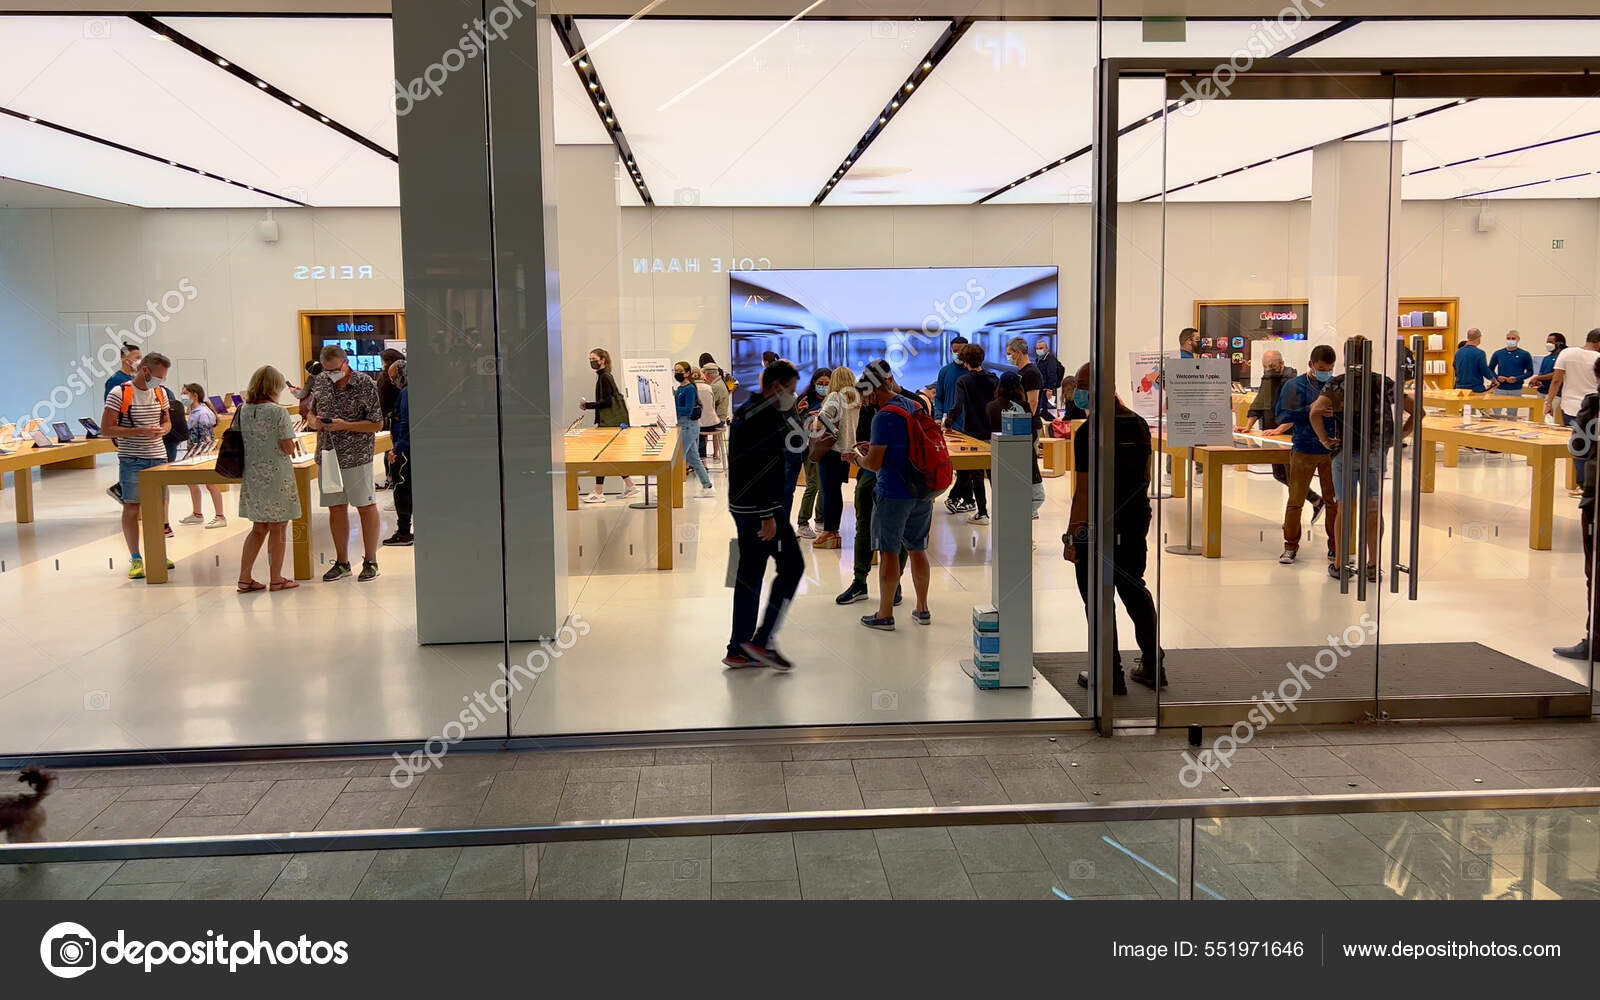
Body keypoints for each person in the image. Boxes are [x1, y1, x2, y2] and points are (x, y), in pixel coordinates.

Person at [1067, 362, 1161, 693]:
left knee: (1097, 598)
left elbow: (1084, 489)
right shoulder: (1137, 425)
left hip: (1099, 524)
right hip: (1135, 519)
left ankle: (1110, 673)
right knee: (1134, 588)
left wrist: (1073, 534)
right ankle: (1152, 665)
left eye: (1080, 383)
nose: (1075, 390)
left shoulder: (1087, 432)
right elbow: (1144, 476)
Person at [1309, 335, 1414, 582]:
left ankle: (1340, 563)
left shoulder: (1337, 384)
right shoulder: (1383, 383)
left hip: (1344, 452)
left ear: (1346, 357)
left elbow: (1314, 412)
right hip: (1375, 453)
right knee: (1373, 508)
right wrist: (1398, 435)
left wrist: (1325, 439)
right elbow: (1417, 410)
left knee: (1344, 508)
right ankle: (1372, 564)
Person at [724, 360, 803, 671]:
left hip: (741, 506)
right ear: (777, 386)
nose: (793, 396)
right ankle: (761, 640)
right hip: (762, 510)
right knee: (793, 566)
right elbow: (765, 469)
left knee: (750, 573)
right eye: (792, 390)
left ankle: (739, 647)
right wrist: (769, 515)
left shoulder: (748, 407)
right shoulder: (766, 417)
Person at [855, 360, 934, 630]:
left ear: (870, 391)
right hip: (922, 489)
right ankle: (922, 608)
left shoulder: (883, 416)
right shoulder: (914, 406)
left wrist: (857, 457)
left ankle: (884, 613)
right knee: (918, 549)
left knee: (889, 551)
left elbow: (874, 464)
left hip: (893, 491)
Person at [836, 369, 916, 607]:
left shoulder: (910, 404)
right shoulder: (877, 406)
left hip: (895, 478)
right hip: (873, 476)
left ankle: (895, 585)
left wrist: (861, 457)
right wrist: (867, 447)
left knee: (897, 534)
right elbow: (865, 437)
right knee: (865, 527)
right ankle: (860, 581)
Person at [307, 344, 385, 582]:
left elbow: (377, 424)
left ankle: (370, 560)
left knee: (365, 505)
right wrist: (314, 422)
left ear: (345, 362)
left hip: (356, 455)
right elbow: (310, 413)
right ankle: (342, 562)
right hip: (327, 454)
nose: (331, 374)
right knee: (336, 507)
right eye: (327, 370)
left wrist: (346, 424)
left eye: (335, 369)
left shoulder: (363, 384)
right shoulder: (320, 382)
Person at [101, 352, 174, 580]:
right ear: (145, 371)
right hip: (132, 458)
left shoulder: (160, 393)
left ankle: (158, 553)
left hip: (158, 457)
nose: (161, 381)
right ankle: (135, 557)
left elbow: (167, 421)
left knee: (159, 506)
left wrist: (164, 429)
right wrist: (139, 431)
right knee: (132, 507)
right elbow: (106, 429)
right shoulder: (119, 393)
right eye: (159, 376)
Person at [234, 365, 302, 592]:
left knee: (258, 528)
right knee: (278, 527)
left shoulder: (243, 409)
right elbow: (287, 446)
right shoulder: (277, 411)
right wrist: (292, 444)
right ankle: (276, 578)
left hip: (253, 475)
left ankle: (244, 578)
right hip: (276, 476)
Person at [1275, 345, 1338, 566]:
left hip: (1332, 450)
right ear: (1311, 365)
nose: (1326, 372)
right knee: (1296, 500)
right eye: (1322, 368)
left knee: (1334, 502)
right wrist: (1310, 409)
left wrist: (1336, 412)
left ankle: (1335, 547)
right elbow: (1282, 415)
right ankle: (1290, 546)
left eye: (1329, 368)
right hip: (1304, 448)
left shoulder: (1337, 385)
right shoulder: (1294, 386)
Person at [1555, 356, 1600, 660]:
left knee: (1595, 571)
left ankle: (1595, 641)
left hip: (1596, 502)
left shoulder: (1594, 405)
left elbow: (1578, 447)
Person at [1246, 350, 1323, 522]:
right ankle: (1317, 500)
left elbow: (1296, 410)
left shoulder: (1293, 382)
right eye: (1265, 367)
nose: (1268, 370)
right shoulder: (1267, 378)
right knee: (1279, 474)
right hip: (1272, 435)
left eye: (1271, 366)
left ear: (1281, 363)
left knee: (1292, 478)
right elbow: (1259, 403)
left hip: (1290, 437)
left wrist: (1280, 429)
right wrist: (1247, 426)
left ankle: (1293, 521)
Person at [944, 342, 998, 525]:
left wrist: (948, 423)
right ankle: (1002, 513)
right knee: (993, 474)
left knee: (976, 475)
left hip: (973, 433)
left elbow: (957, 407)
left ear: (965, 361)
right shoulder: (993, 379)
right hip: (992, 431)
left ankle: (982, 513)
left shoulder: (964, 381)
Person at [578, 348, 637, 503]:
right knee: (609, 457)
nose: (591, 361)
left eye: (593, 359)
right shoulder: (605, 376)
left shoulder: (604, 377)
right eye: (589, 359)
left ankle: (598, 492)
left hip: (608, 423)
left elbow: (606, 402)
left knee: (601, 456)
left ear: (603, 359)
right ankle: (630, 485)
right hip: (611, 422)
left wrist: (587, 405)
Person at [986, 371, 1045, 519]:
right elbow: (1031, 434)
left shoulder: (990, 407)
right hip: (1023, 459)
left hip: (999, 459)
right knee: (1037, 495)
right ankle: (1025, 516)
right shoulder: (1024, 406)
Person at [1547, 328, 1600, 493]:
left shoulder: (1567, 353)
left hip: (1569, 406)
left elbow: (1556, 381)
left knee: (1578, 445)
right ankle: (1588, 484)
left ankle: (1582, 483)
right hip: (1593, 407)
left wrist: (1549, 403)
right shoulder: (1598, 358)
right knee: (1592, 445)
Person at [812, 364, 858, 550]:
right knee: (835, 491)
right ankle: (834, 532)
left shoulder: (835, 396)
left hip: (831, 450)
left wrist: (821, 422)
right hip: (847, 451)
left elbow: (823, 418)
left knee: (829, 492)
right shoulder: (856, 399)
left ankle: (830, 531)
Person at [177, 383, 226, 529]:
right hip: (193, 451)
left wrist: (204, 454)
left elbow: (206, 437)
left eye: (185, 393)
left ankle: (220, 516)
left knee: (210, 484)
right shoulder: (194, 411)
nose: (183, 396)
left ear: (195, 395)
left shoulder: (202, 413)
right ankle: (197, 514)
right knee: (191, 481)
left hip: (201, 453)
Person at [793, 368, 830, 535]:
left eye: (827, 384)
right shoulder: (805, 399)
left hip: (829, 447)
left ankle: (820, 519)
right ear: (814, 383)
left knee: (824, 485)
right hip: (809, 448)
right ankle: (802, 522)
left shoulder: (833, 401)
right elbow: (794, 427)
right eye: (820, 384)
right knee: (813, 484)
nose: (823, 387)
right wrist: (806, 417)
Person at [673, 361, 715, 497]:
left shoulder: (690, 388)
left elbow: (688, 409)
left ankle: (672, 488)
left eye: (680, 371)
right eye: (675, 370)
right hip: (682, 425)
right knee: (694, 458)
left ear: (687, 373)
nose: (677, 373)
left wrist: (672, 409)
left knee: (679, 458)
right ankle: (707, 486)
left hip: (688, 426)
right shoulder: (680, 388)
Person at [383, 360, 413, 547]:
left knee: (402, 489)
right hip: (408, 446)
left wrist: (397, 448)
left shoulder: (406, 393)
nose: (393, 382)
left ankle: (404, 532)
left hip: (405, 449)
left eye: (394, 377)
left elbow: (406, 423)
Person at [374, 347, 406, 490]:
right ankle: (394, 479)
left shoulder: (386, 378)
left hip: (392, 419)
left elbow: (382, 401)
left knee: (391, 450)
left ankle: (392, 479)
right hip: (395, 418)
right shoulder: (401, 377)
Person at [1486, 330, 1534, 419]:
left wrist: (1517, 378)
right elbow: (1490, 369)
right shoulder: (1498, 353)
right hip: (1500, 388)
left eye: (1513, 338)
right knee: (1495, 413)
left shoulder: (1524, 354)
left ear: (1518, 339)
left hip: (1515, 389)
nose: (1510, 340)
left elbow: (1530, 371)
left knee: (1512, 415)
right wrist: (1497, 377)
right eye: (1508, 338)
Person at [700, 361, 732, 466]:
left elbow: (707, 405)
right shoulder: (720, 382)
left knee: (695, 429)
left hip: (718, 421)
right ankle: (708, 455)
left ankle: (700, 458)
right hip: (721, 418)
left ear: (708, 374)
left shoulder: (715, 387)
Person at [1528, 331, 1567, 413]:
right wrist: (1538, 381)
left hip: (1554, 394)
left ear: (1559, 343)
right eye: (1547, 342)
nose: (1548, 344)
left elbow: (1556, 375)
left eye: (1551, 342)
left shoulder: (1562, 357)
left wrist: (1538, 377)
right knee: (1537, 414)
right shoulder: (1546, 358)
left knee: (1546, 416)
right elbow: (1541, 373)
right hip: (1541, 391)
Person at [932, 336, 969, 420]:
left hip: (970, 425)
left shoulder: (974, 372)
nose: (959, 353)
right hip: (950, 424)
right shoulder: (944, 372)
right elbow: (939, 398)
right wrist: (938, 417)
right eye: (955, 351)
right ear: (951, 350)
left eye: (962, 351)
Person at [1005, 337, 1043, 415]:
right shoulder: (1021, 372)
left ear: (1018, 353)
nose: (1008, 357)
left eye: (1009, 354)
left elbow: (1033, 402)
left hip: (1028, 424)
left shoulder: (1031, 373)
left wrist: (1024, 422)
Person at [694, 368, 721, 465]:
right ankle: (702, 460)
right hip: (713, 423)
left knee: (690, 432)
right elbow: (712, 406)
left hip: (700, 425)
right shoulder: (709, 388)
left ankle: (693, 462)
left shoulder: (692, 388)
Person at [1452, 328, 1491, 392]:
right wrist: (1493, 380)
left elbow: (1455, 367)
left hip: (1459, 389)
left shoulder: (1458, 352)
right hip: (1475, 389)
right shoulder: (1480, 353)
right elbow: (1484, 370)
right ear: (1479, 337)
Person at [1035, 339, 1065, 409]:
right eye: (1037, 348)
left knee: (1045, 409)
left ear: (1046, 349)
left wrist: (1050, 389)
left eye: (1041, 348)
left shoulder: (1050, 359)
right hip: (1041, 389)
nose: (1038, 350)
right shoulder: (1038, 360)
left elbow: (1052, 374)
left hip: (1047, 389)